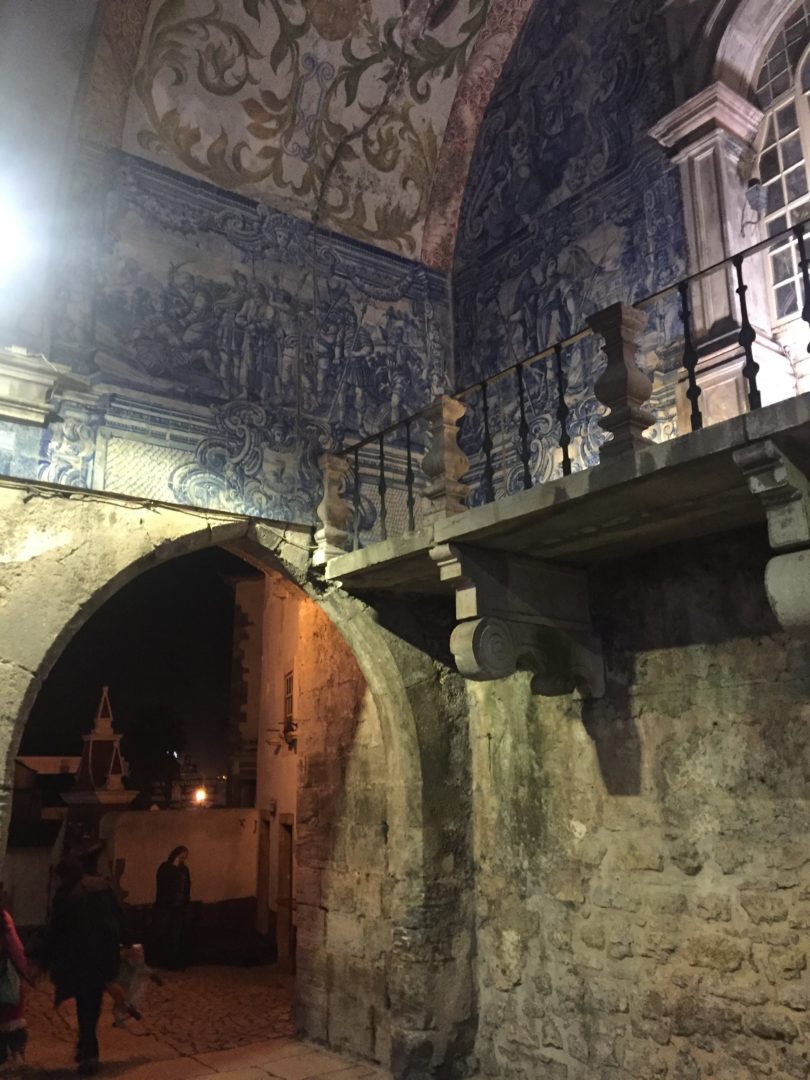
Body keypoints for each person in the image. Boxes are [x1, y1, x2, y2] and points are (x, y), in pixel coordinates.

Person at [41, 846, 131, 1077]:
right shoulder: (102, 887)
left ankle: (89, 1053)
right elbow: (120, 916)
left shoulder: (67, 895)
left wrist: (44, 961)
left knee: (86, 1008)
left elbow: (56, 931)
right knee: (92, 1005)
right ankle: (86, 1047)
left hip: (80, 960)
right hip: (103, 957)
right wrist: (127, 942)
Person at [0, 901, 31, 1068]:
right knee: (12, 1016)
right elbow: (16, 948)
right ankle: (16, 1053)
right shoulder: (4, 918)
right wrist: (23, 969)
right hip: (5, 975)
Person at [153, 846, 190, 970]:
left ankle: (173, 961)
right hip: (165, 906)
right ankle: (162, 960)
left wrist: (185, 902)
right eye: (182, 855)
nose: (183, 858)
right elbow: (162, 884)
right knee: (163, 932)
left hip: (178, 906)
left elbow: (187, 886)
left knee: (175, 934)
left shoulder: (184, 869)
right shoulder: (165, 867)